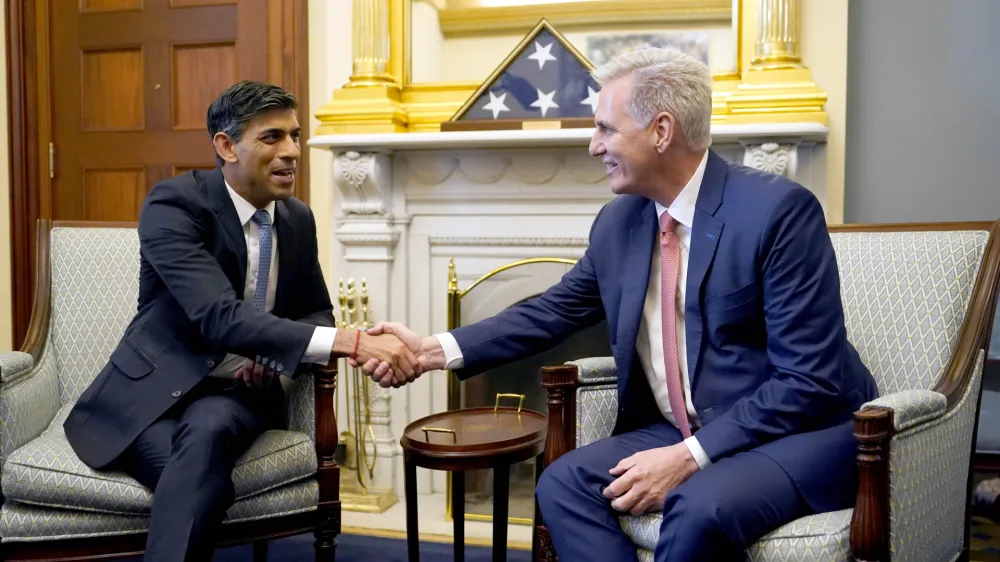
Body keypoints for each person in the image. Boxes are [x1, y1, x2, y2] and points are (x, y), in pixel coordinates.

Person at [353, 48, 879, 561]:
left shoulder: (777, 212)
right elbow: (551, 311)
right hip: (680, 425)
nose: (592, 145)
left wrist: (688, 458)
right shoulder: (620, 221)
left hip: (799, 431)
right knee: (562, 483)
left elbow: (808, 381)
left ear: (662, 131)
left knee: (699, 507)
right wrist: (431, 350)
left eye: (605, 128)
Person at [64, 80, 420, 562]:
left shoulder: (297, 218)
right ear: (226, 146)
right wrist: (353, 343)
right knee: (199, 480)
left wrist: (279, 364)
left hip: (236, 395)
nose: (292, 151)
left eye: (294, 136)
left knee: (206, 442)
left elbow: (315, 308)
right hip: (147, 395)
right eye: (272, 137)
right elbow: (217, 315)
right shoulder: (175, 206)